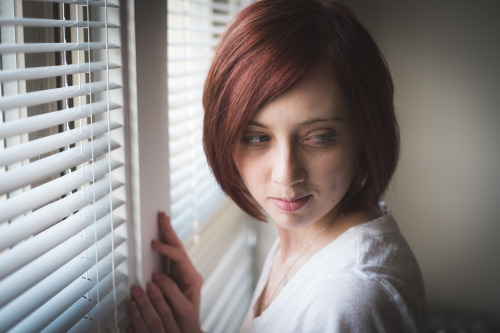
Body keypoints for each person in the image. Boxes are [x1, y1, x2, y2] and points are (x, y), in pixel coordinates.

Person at [127, 0, 426, 332]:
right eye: (256, 138)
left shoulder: (345, 302)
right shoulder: (308, 231)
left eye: (320, 136)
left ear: (364, 133)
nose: (286, 174)